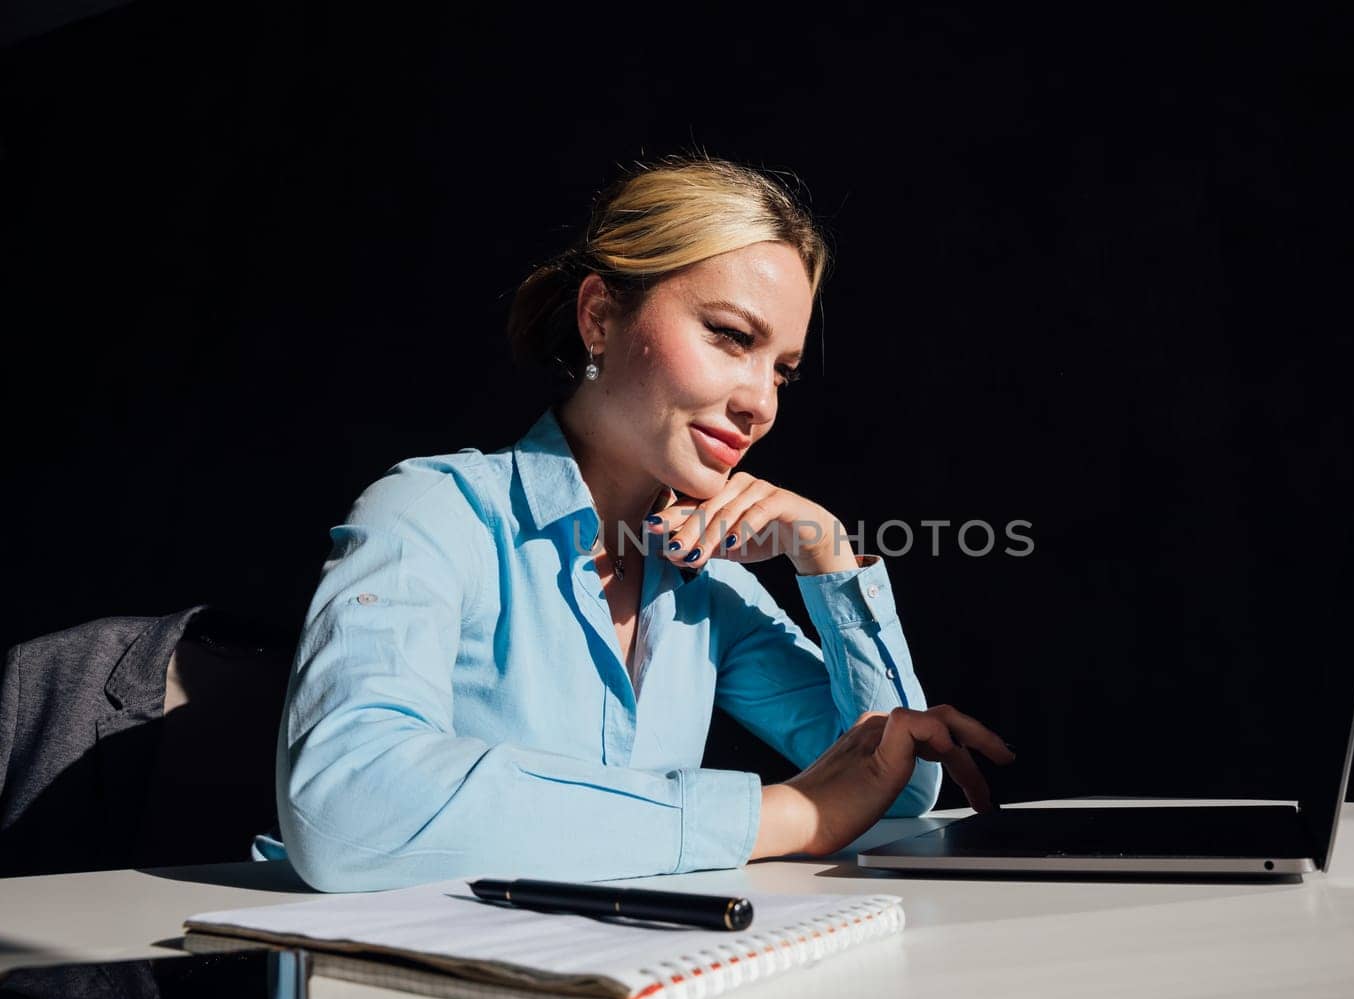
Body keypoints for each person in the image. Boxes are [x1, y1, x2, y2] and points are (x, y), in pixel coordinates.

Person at [269, 153, 1013, 892]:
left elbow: (899, 787)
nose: (762, 402)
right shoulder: (435, 513)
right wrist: (782, 813)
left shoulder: (701, 578)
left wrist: (829, 555)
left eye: (782, 370)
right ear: (599, 315)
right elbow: (346, 802)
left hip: (635, 980)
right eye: (729, 335)